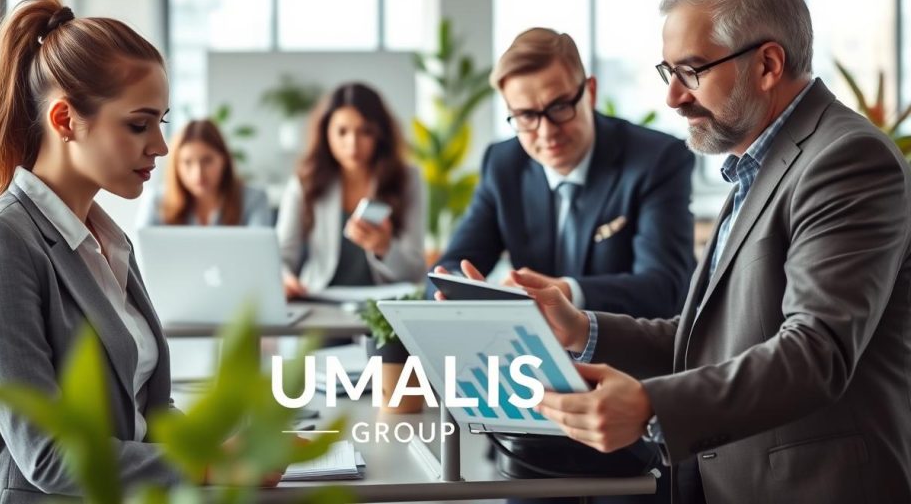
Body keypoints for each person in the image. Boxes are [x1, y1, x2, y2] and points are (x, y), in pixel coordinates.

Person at [516, 0, 911, 504]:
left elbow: (815, 352)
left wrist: (653, 407)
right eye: (668, 72)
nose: (673, 97)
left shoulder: (845, 157)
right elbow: (713, 338)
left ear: (768, 64)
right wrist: (581, 327)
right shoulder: (758, 160)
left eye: (692, 71)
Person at [0, 0, 275, 502]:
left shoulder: (106, 241)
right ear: (64, 121)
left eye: (160, 123)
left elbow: (143, 415)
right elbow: (48, 456)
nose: (161, 147)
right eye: (138, 124)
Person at [431, 27, 694, 503]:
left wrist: (567, 294)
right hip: (534, 411)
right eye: (526, 117)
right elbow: (456, 261)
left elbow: (668, 286)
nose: (546, 131)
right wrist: (455, 290)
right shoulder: (503, 163)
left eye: (559, 107)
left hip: (629, 408)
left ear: (589, 91)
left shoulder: (656, 159)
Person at [276, 82, 425, 299]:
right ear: (325, 132)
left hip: (383, 306)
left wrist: (385, 249)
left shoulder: (406, 179)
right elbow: (281, 255)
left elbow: (414, 272)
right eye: (342, 131)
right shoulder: (305, 181)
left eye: (365, 131)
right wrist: (286, 279)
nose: (352, 144)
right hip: (319, 302)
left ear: (380, 134)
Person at [137, 119, 271, 227]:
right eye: (187, 162)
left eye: (207, 160)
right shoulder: (156, 202)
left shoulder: (254, 200)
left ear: (224, 159)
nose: (198, 173)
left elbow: (260, 258)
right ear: (176, 165)